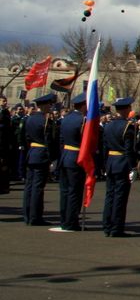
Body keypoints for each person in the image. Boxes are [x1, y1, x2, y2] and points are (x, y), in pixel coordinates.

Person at [102, 98, 136, 237]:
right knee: (120, 198)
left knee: (110, 196)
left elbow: (104, 146)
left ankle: (107, 225)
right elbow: (129, 150)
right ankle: (116, 228)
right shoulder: (128, 126)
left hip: (110, 162)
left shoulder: (108, 125)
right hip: (122, 163)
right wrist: (132, 167)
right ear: (125, 109)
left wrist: (105, 164)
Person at [23, 93, 57, 226]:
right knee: (38, 187)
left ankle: (27, 215)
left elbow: (26, 138)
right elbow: (49, 141)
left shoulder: (29, 119)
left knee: (29, 187)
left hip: (32, 153)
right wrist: (52, 158)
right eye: (49, 104)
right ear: (44, 105)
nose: (51, 107)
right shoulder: (45, 120)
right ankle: (35, 216)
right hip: (42, 154)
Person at [56, 94, 87, 232]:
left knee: (65, 191)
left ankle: (64, 219)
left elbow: (61, 140)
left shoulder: (66, 119)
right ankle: (71, 221)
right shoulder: (82, 120)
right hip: (76, 157)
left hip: (65, 156)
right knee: (75, 192)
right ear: (83, 105)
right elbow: (84, 142)